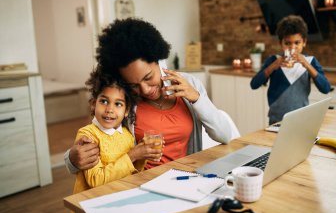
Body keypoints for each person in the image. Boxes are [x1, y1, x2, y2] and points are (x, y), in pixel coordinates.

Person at [64, 18, 234, 173]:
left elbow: (224, 135)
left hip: (188, 179)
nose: (144, 90)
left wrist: (196, 98)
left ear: (158, 60)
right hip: (142, 184)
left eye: (148, 78)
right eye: (133, 85)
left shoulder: (189, 84)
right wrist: (72, 159)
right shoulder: (123, 99)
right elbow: (95, 136)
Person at [70, 68, 158, 213]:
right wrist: (133, 155)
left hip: (117, 203)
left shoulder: (126, 135)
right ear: (93, 104)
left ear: (126, 111)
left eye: (118, 104)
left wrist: (142, 155)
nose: (110, 109)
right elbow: (96, 181)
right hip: (92, 209)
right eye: (104, 101)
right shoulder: (88, 136)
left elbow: (132, 172)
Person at [250, 15, 331, 125]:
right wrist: (273, 66)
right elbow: (254, 84)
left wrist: (306, 64)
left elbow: (326, 88)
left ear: (304, 42)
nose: (292, 48)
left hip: (302, 119)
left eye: (297, 43)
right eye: (287, 43)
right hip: (276, 119)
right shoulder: (273, 60)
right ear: (280, 43)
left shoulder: (310, 61)